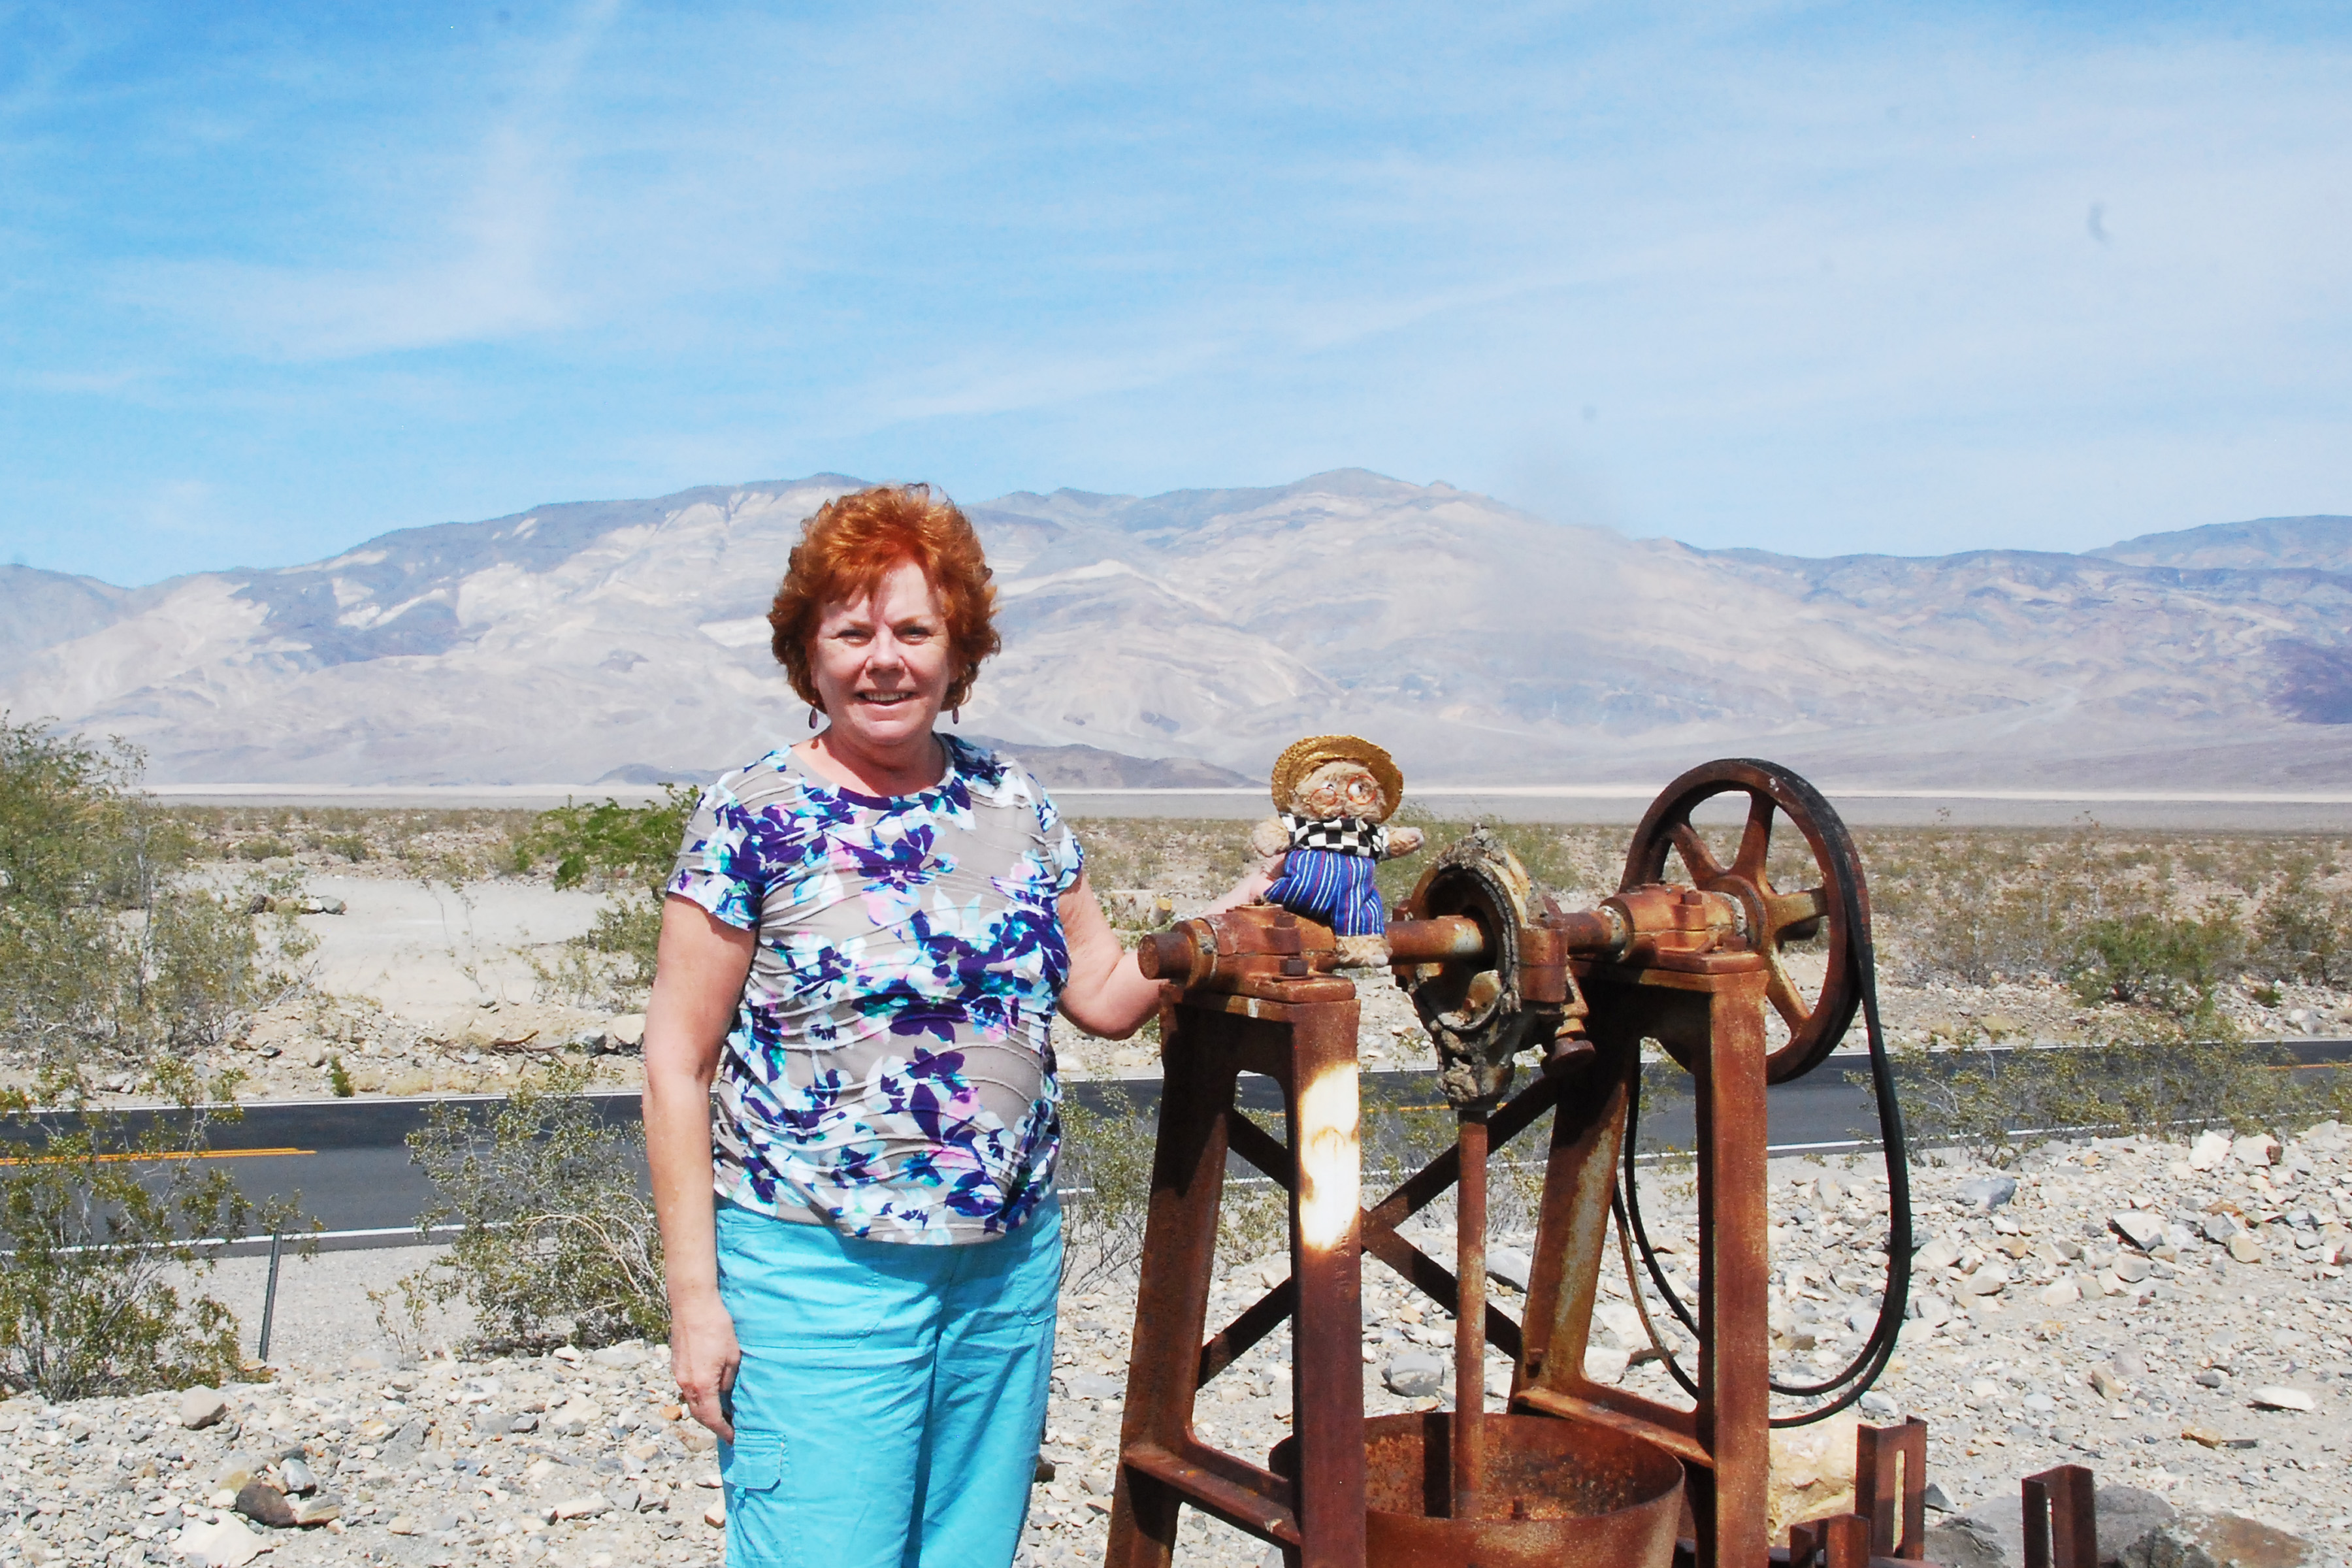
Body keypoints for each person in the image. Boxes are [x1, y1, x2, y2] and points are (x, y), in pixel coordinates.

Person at [642, 483, 1171, 1568]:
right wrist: (695, 1301)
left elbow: (1106, 994)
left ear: (957, 651)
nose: (884, 661)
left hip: (1003, 1272)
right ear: (809, 655)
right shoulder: (753, 815)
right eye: (853, 633)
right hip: (818, 1272)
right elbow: (675, 1063)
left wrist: (1230, 922)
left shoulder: (1013, 803)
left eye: (914, 633)